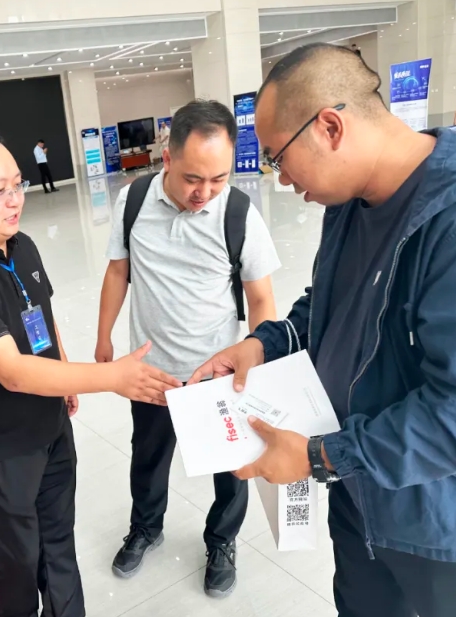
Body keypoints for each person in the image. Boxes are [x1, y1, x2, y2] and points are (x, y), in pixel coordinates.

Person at [191, 43, 456, 617]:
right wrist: (263, 343)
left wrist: (321, 456)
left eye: (278, 158)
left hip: (441, 520)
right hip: (358, 494)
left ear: (329, 127)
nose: (280, 179)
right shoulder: (349, 201)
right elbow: (329, 303)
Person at [0, 128, 181, 617]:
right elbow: (12, 372)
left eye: (17, 185)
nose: (14, 200)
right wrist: (111, 378)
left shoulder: (21, 245)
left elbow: (41, 315)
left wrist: (63, 371)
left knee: (59, 546)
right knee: (15, 566)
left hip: (50, 429)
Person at [96, 99, 281, 596]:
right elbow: (117, 271)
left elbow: (261, 298)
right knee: (148, 459)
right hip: (150, 371)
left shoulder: (238, 212)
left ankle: (222, 541)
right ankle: (145, 528)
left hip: (217, 375)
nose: (205, 192)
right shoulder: (134, 200)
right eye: (193, 178)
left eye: (219, 178)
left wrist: (256, 360)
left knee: (231, 468)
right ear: (168, 158)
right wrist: (103, 336)